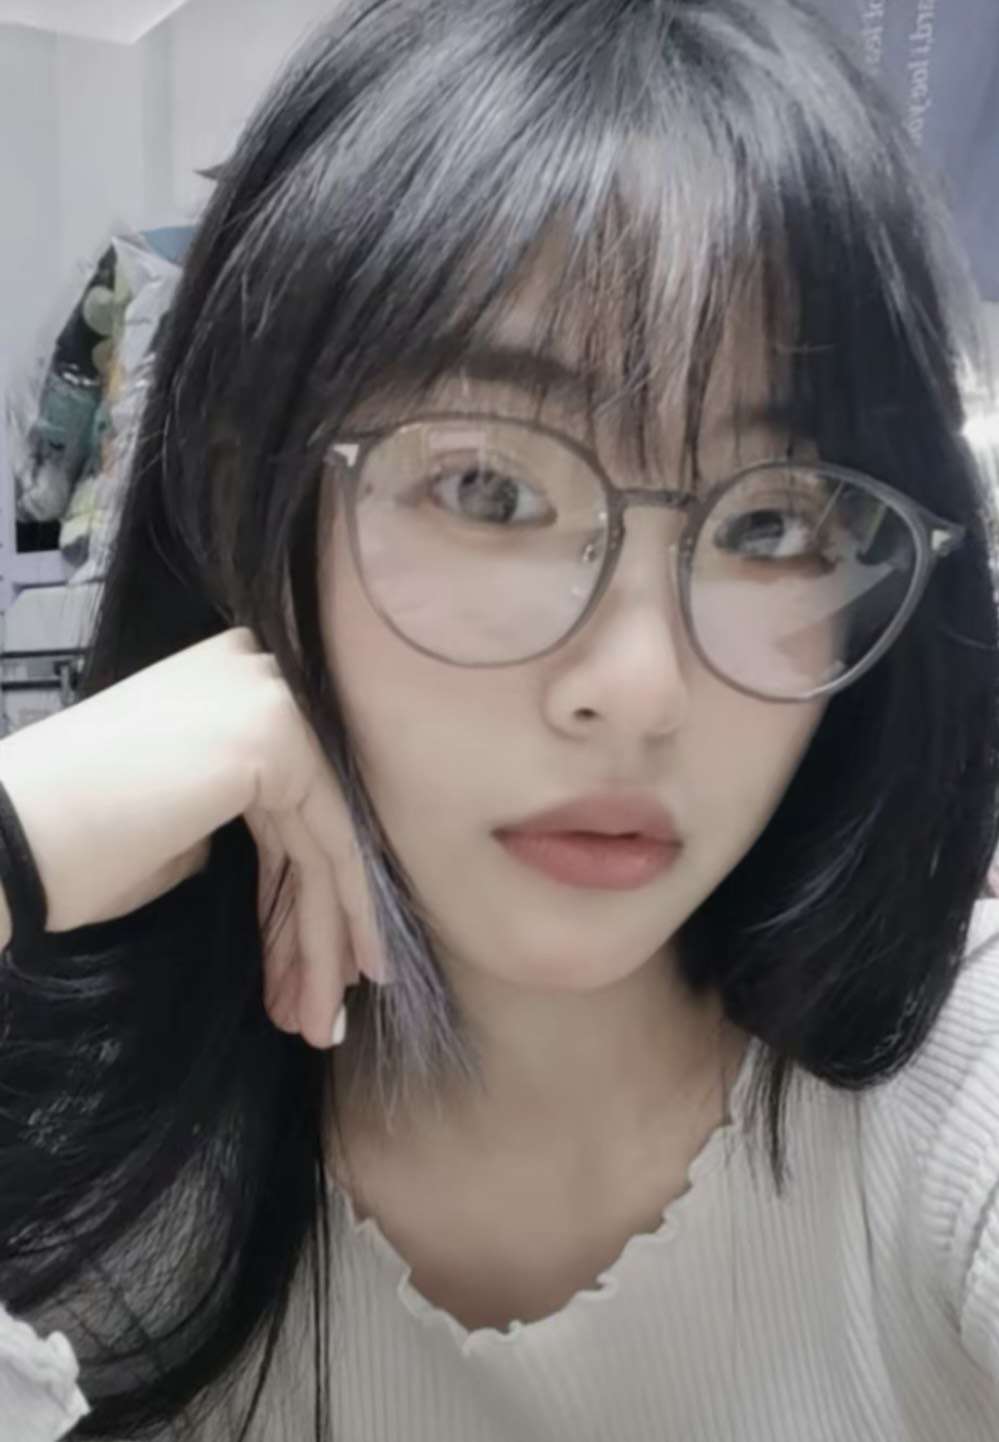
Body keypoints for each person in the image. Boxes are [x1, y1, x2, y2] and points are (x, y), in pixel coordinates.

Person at [1, 0, 999, 1438]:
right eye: (488, 489)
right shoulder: (106, 1173)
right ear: (253, 508)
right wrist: (23, 833)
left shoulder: (955, 1098)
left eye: (774, 521)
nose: (640, 687)